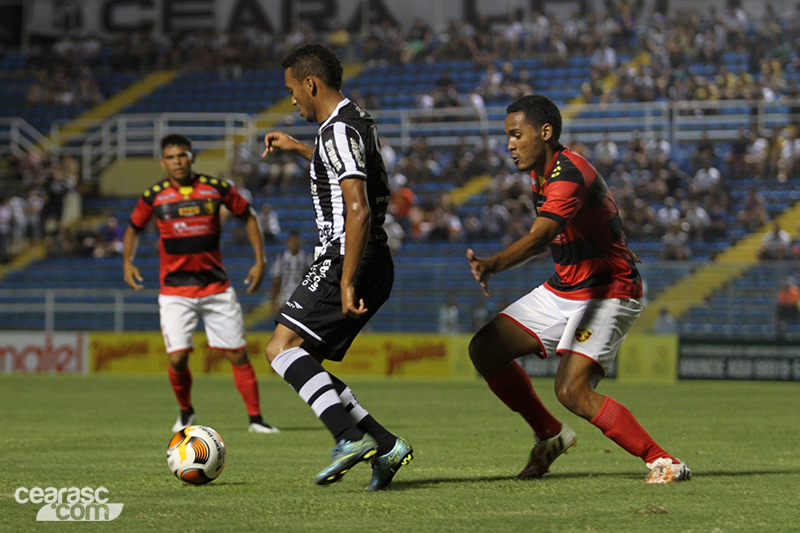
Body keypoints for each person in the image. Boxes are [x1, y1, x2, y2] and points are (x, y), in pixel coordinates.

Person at [466, 95, 691, 485]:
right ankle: (549, 435)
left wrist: (493, 264)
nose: (509, 145)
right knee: (485, 348)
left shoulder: (568, 173)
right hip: (567, 286)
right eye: (508, 137)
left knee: (572, 390)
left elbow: (542, 237)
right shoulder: (542, 171)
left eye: (517, 135)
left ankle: (664, 461)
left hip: (608, 291)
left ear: (545, 132)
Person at [261, 44, 412, 490]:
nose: (292, 100)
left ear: (310, 84)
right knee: (303, 361)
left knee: (279, 348)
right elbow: (341, 169)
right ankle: (385, 445)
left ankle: (348, 438)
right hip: (371, 255)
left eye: (292, 90)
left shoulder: (336, 132)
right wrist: (295, 148)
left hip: (348, 253)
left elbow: (358, 209)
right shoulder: (356, 121)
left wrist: (346, 280)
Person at [123, 133, 279, 435]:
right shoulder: (154, 195)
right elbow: (133, 228)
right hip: (175, 291)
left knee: (237, 353)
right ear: (162, 162)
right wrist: (127, 261)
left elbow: (248, 216)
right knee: (178, 358)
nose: (177, 161)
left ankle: (256, 419)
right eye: (171, 157)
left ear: (191, 157)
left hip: (216, 287)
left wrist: (259, 260)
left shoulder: (216, 189)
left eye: (182, 155)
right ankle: (186, 411)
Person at [270, 230, 313, 314]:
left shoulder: (307, 258)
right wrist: (274, 300)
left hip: (302, 299)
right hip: (284, 299)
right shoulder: (281, 258)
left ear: (300, 242)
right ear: (287, 243)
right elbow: (276, 280)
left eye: (296, 241)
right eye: (292, 241)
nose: (294, 243)